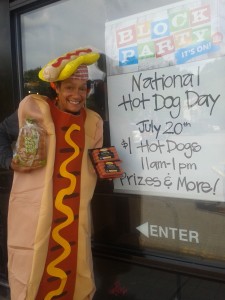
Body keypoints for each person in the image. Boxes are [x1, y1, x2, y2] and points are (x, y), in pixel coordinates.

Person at [0, 48, 103, 300]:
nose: (77, 94)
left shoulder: (93, 121)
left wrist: (103, 165)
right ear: (56, 88)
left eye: (82, 88)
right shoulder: (34, 110)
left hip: (73, 214)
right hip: (34, 214)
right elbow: (1, 133)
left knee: (75, 271)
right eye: (69, 87)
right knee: (32, 271)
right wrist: (7, 161)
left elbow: (94, 159)